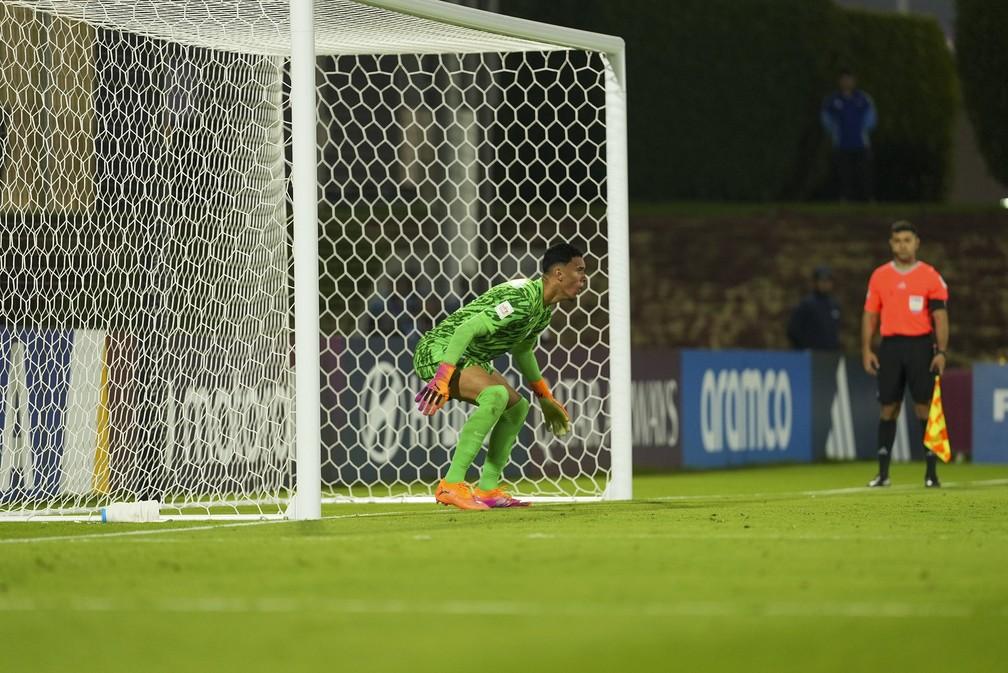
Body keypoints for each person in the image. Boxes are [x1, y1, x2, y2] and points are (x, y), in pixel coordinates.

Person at [412, 243, 586, 510]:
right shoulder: (521, 299)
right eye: (580, 270)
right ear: (560, 274)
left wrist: (545, 398)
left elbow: (523, 350)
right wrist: (442, 378)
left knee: (518, 408)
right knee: (496, 395)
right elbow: (466, 330)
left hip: (470, 358)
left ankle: (487, 489)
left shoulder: (543, 311)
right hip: (439, 351)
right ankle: (451, 484)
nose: (584, 278)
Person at [861, 221, 949, 488]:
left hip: (920, 346)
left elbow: (940, 317)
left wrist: (941, 351)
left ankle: (931, 474)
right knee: (888, 407)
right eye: (897, 240)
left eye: (907, 240)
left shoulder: (930, 276)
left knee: (924, 406)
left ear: (916, 243)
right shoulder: (879, 276)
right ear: (891, 244)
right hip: (890, 346)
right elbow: (870, 315)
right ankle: (883, 473)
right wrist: (866, 349)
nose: (902, 245)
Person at [821, 69, 877, 201]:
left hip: (861, 143)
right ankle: (845, 198)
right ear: (840, 81)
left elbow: (871, 118)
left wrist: (863, 130)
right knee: (844, 174)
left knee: (864, 173)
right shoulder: (833, 100)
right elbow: (825, 118)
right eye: (844, 79)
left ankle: (868, 199)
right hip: (841, 143)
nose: (847, 82)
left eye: (849, 79)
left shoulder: (863, 98)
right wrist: (834, 131)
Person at [787, 266, 840, 350]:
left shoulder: (834, 305)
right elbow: (793, 329)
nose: (825, 284)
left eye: (828, 281)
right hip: (811, 355)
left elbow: (834, 331)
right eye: (822, 281)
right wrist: (804, 347)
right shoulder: (807, 304)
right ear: (815, 282)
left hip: (830, 355)